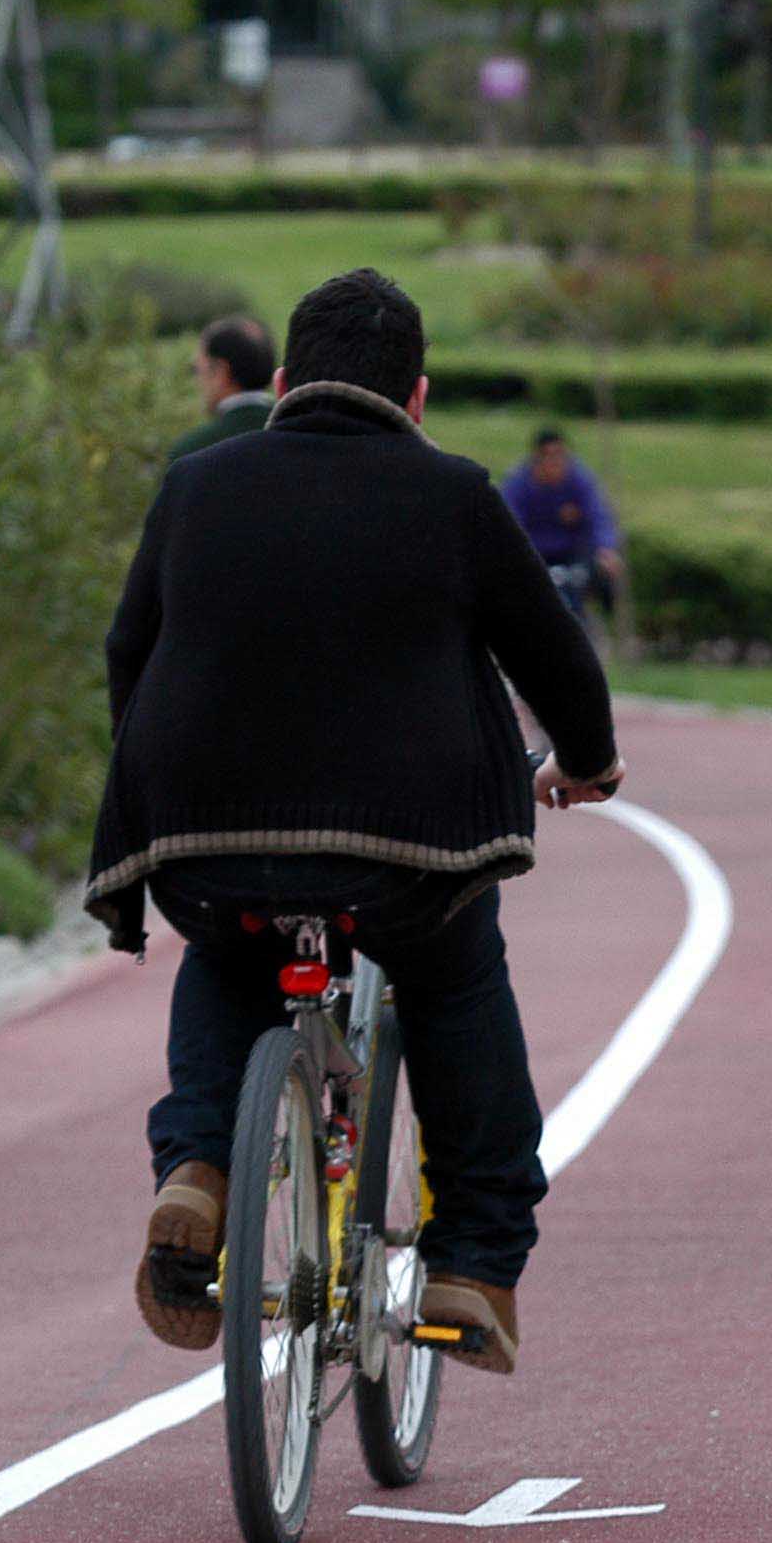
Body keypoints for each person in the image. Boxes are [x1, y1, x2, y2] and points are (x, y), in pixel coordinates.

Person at [87, 268, 626, 1373]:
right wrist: (587, 763)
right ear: (417, 399)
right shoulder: (455, 494)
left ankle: (197, 1166)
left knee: (229, 955)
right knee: (456, 976)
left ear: (281, 382)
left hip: (204, 838)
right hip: (402, 857)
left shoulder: (196, 485)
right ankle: (470, 1263)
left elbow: (125, 652)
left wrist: (157, 789)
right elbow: (555, 656)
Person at [499, 427, 625, 622]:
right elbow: (509, 522)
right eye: (549, 457)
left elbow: (598, 514)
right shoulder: (518, 483)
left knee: (591, 583)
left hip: (571, 553)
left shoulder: (579, 478)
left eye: (561, 456)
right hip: (534, 552)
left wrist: (606, 548)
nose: (555, 463)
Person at [165, 315, 277, 462]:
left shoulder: (191, 451)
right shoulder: (298, 432)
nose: (198, 381)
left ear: (220, 372)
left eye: (197, 369)